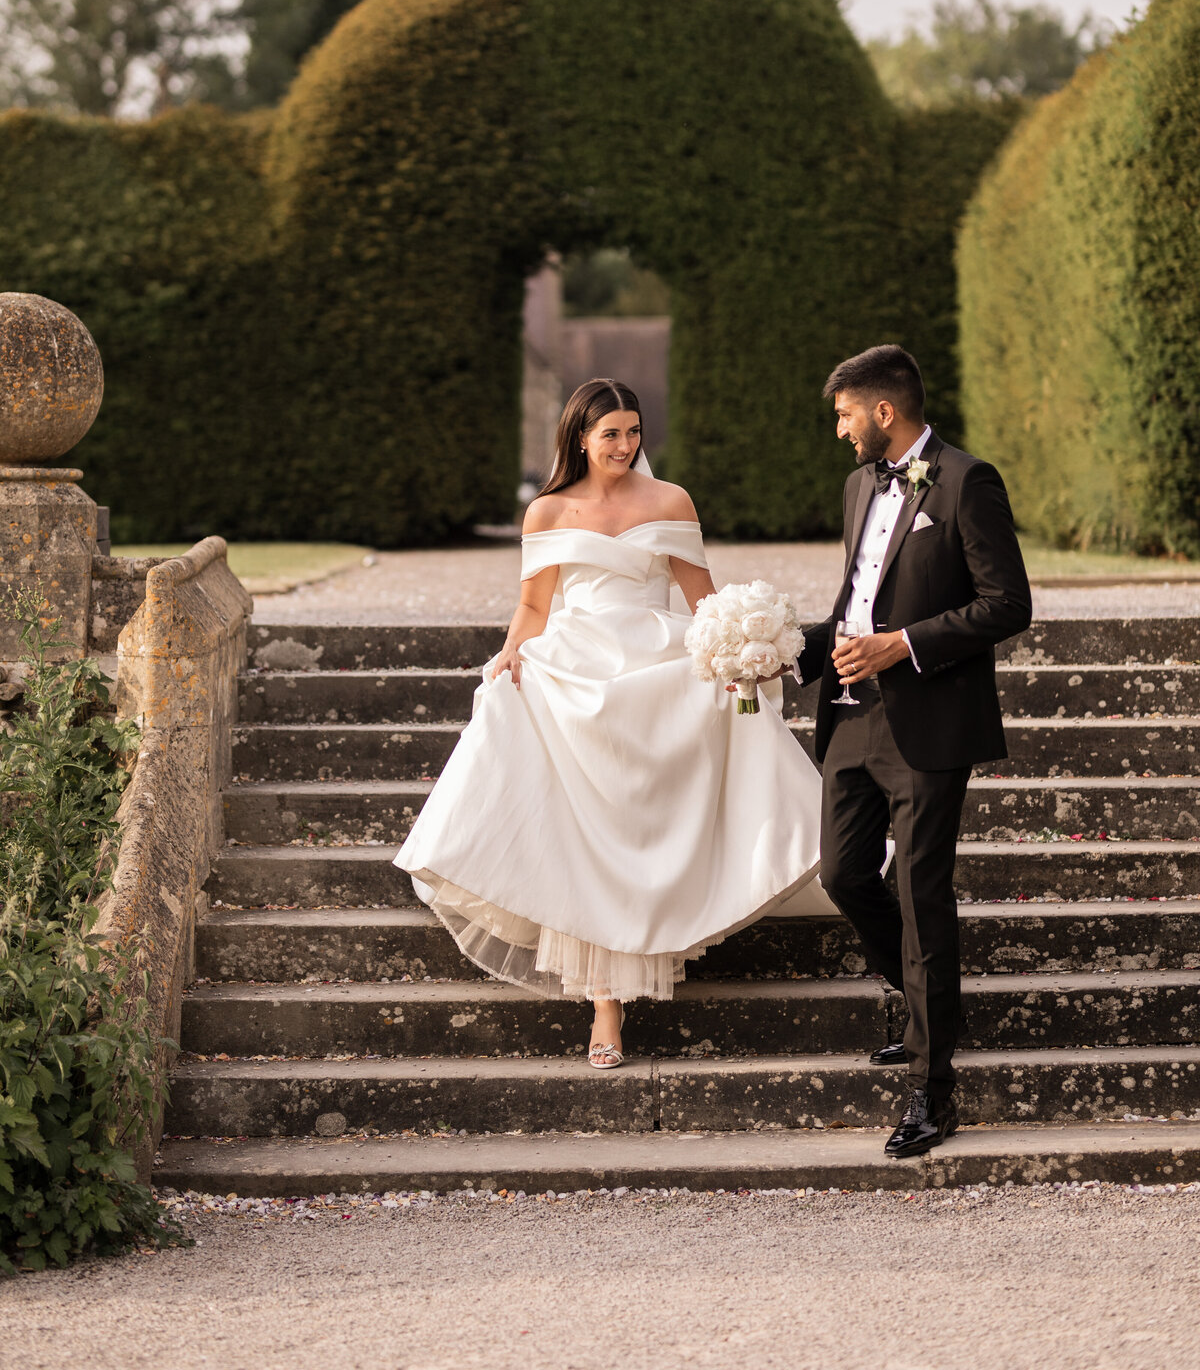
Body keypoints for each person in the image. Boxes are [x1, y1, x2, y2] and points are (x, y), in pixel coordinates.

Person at [396, 377, 828, 1067]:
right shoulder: (547, 512)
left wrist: (738, 650)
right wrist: (511, 653)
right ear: (579, 439)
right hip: (576, 662)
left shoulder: (671, 502)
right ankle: (604, 1005)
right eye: (610, 435)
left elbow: (704, 602)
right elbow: (535, 610)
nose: (625, 445)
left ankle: (672, 919)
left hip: (658, 664)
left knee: (667, 783)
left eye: (632, 431)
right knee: (552, 769)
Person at [796, 344, 1031, 1158]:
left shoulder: (969, 482)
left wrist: (905, 646)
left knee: (923, 892)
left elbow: (1008, 604)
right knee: (843, 873)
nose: (839, 431)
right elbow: (852, 607)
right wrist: (781, 652)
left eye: (844, 415)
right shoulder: (860, 484)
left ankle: (934, 1091)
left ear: (883, 412)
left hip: (930, 722)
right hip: (852, 718)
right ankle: (925, 998)